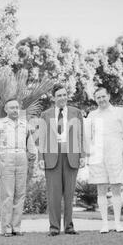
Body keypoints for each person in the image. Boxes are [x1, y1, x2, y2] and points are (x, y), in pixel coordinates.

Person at [38, 84, 85, 236]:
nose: (62, 98)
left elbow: (81, 136)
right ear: (54, 98)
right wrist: (41, 157)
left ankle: (69, 227)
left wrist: (82, 155)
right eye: (59, 95)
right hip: (52, 154)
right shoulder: (46, 114)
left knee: (70, 193)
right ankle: (54, 227)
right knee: (54, 194)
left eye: (64, 95)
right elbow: (42, 138)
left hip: (71, 154)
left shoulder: (76, 112)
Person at [85, 87, 123, 233]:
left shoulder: (119, 112)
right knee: (101, 189)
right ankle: (105, 223)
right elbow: (87, 137)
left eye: (103, 96)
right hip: (97, 153)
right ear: (95, 99)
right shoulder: (92, 115)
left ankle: (117, 223)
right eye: (98, 97)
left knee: (116, 186)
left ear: (109, 95)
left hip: (115, 150)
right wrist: (87, 155)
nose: (101, 100)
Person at [0, 98, 36, 237]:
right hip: (6, 159)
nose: (15, 110)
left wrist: (32, 161)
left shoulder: (25, 124)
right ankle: (6, 228)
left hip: (22, 158)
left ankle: (16, 227)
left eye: (17, 107)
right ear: (6, 109)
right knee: (7, 195)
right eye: (12, 108)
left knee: (20, 194)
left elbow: (31, 146)